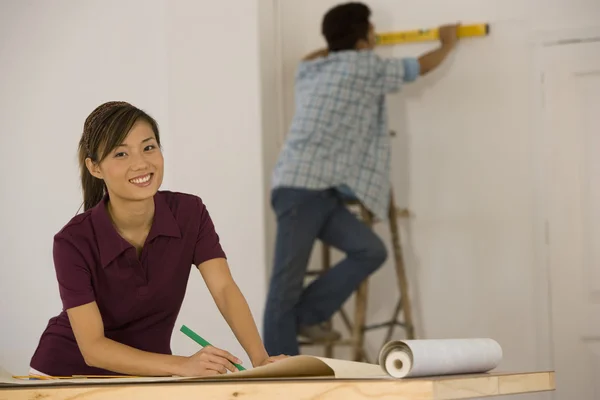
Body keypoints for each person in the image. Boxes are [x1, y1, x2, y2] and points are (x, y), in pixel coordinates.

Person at [29, 101, 285, 377]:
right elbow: (93, 349)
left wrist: (260, 359)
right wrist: (183, 365)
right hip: (67, 376)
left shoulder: (190, 213)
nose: (140, 163)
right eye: (120, 154)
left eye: (148, 147)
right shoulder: (72, 242)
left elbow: (224, 288)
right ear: (95, 167)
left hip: (149, 376)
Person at [263, 2, 460, 356]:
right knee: (284, 287)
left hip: (321, 192)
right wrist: (447, 43)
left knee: (370, 250)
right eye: (370, 30)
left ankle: (306, 315)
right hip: (299, 188)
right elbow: (420, 66)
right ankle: (279, 378)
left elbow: (313, 54)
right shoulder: (365, 67)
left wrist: (339, 45)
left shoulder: (311, 69)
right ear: (363, 37)